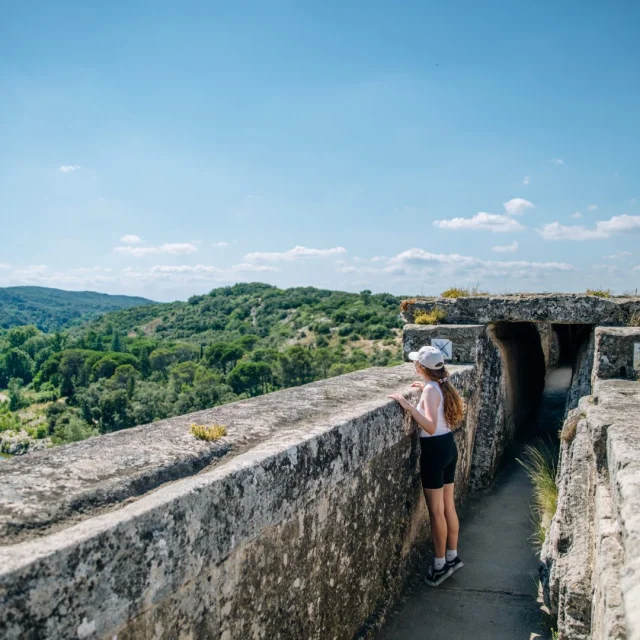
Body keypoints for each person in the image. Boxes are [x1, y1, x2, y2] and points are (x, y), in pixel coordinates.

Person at [388, 345, 465, 586]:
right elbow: (436, 407)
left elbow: (430, 427)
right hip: (449, 447)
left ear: (421, 368)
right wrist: (424, 392)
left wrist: (408, 405)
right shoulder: (441, 385)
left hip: (434, 451)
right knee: (448, 507)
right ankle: (452, 557)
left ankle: (440, 565)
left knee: (436, 512)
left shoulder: (433, 388)